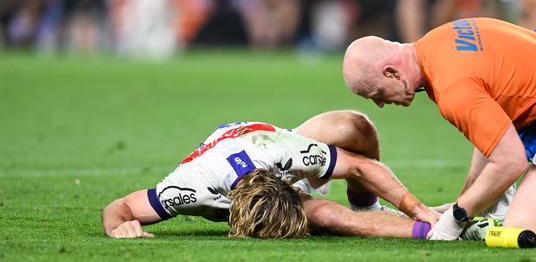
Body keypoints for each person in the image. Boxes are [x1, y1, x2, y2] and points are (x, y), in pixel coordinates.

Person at [342, 17, 536, 240]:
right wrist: (465, 203)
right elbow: (492, 133)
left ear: (392, 73)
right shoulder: (438, 40)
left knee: (522, 226)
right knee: (487, 205)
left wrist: (456, 217)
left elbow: (510, 161)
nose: (380, 104)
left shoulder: (452, 88)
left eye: (376, 94)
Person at [102, 110, 440, 239]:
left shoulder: (284, 152)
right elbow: (119, 207)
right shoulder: (189, 189)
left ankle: (370, 209)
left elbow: (361, 166)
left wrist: (418, 208)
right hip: (227, 167)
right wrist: (120, 226)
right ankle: (433, 233)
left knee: (356, 126)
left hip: (267, 145)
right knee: (327, 217)